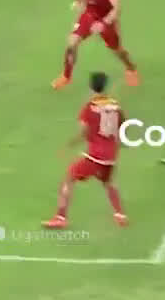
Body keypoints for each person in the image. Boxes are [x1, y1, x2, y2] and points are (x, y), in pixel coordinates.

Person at [43, 71, 128, 229]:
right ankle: (120, 214)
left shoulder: (90, 107)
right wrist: (118, 140)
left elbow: (84, 132)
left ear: (91, 87)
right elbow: (123, 124)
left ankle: (60, 217)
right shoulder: (115, 106)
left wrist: (69, 145)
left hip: (96, 155)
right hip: (111, 154)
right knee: (108, 182)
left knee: (70, 177)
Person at [53, 0, 140, 89]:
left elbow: (117, 9)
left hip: (107, 21)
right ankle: (66, 76)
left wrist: (103, 23)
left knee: (117, 50)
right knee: (71, 43)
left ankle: (131, 68)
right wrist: (78, 0)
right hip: (89, 15)